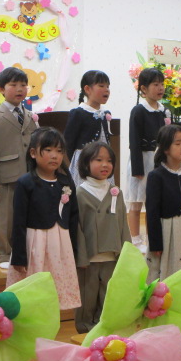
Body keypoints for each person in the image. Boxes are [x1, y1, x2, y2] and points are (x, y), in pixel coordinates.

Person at [7, 127, 81, 310]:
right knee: (32, 294)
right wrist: (19, 257)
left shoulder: (66, 182)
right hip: (35, 243)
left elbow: (73, 217)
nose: (54, 155)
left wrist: (75, 249)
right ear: (33, 153)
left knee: (55, 293)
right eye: (48, 150)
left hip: (60, 245)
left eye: (59, 151)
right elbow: (18, 222)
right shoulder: (25, 183)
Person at [0, 66, 38, 270]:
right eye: (13, 85)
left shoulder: (30, 115)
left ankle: (23, 250)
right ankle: (3, 253)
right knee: (4, 216)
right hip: (5, 174)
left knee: (25, 213)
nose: (20, 89)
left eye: (23, 85)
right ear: (1, 89)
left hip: (28, 173)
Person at [75, 142, 131, 332]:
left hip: (112, 256)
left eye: (109, 161)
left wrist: (126, 254)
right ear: (86, 163)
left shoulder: (116, 192)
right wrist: (81, 257)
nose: (105, 164)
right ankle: (85, 332)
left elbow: (123, 224)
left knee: (108, 296)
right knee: (87, 298)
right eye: (98, 160)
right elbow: (77, 229)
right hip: (89, 259)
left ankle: (105, 332)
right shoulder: (80, 193)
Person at [146, 125, 181, 282]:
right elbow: (152, 212)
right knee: (169, 273)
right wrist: (155, 244)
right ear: (165, 149)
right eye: (178, 143)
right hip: (168, 230)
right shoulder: (156, 176)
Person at [125, 67, 167, 253]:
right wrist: (137, 169)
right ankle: (135, 239)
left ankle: (152, 238)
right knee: (136, 202)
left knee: (154, 202)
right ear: (143, 88)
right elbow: (134, 141)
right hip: (141, 159)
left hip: (158, 161)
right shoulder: (139, 110)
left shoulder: (164, 111)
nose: (160, 88)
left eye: (162, 84)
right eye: (155, 84)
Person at [64, 70, 112, 188]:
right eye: (101, 86)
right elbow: (68, 142)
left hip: (103, 162)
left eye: (107, 86)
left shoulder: (105, 113)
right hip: (84, 163)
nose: (106, 90)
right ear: (87, 89)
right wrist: (77, 161)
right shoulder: (78, 113)